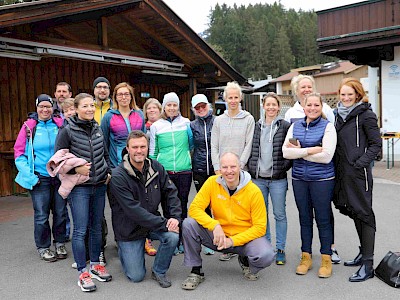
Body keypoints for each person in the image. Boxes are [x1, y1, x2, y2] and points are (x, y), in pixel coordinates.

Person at [181, 152, 275, 290]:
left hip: (244, 240)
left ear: (240, 167)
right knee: (188, 224)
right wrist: (215, 225)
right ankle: (196, 271)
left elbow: (260, 227)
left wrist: (233, 241)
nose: (229, 171)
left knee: (266, 255)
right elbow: (194, 209)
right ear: (220, 168)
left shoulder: (253, 191)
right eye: (225, 167)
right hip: (219, 237)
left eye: (233, 167)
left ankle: (246, 260)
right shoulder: (212, 182)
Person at [109, 130, 181, 288]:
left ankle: (159, 271)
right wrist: (164, 223)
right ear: (127, 148)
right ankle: (124, 248)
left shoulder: (156, 167)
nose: (139, 150)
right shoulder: (118, 176)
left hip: (151, 223)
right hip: (129, 229)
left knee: (172, 236)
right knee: (136, 276)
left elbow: (171, 193)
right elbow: (133, 210)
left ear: (148, 148)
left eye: (143, 146)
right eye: (135, 147)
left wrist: (174, 218)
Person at [55, 93, 112, 292]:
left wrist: (109, 172)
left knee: (96, 226)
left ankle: (95, 264)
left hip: (99, 185)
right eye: (85, 106)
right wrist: (75, 170)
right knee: (80, 229)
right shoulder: (67, 130)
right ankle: (82, 272)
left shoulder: (97, 128)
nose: (89, 109)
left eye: (91, 106)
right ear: (76, 108)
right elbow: (56, 163)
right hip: (79, 188)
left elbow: (105, 154)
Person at [284, 74, 340, 264]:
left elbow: (326, 157)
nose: (313, 108)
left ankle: (326, 257)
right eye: (309, 105)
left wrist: (299, 152)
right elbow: (286, 152)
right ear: (304, 107)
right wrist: (308, 150)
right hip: (300, 179)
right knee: (304, 219)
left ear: (321, 106)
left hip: (322, 180)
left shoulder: (328, 126)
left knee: (323, 219)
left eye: (316, 105)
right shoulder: (295, 126)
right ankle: (305, 256)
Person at [333, 78, 381, 282]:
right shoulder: (337, 116)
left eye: (350, 95)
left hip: (358, 174)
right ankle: (363, 253)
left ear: (358, 95)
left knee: (364, 213)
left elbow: (376, 145)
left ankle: (368, 264)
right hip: (342, 173)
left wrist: (360, 163)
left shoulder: (366, 115)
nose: (346, 98)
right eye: (343, 94)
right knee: (352, 210)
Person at [14, 94, 67, 262]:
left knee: (60, 212)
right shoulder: (29, 127)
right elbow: (19, 154)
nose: (45, 110)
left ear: (53, 108)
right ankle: (43, 247)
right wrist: (30, 177)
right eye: (41, 107)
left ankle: (59, 242)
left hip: (59, 176)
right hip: (39, 178)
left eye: (48, 106)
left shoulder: (60, 125)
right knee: (42, 215)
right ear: (36, 108)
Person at [211, 81, 255, 261]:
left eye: (236, 97)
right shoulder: (219, 120)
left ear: (241, 98)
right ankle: (226, 245)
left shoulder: (248, 119)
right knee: (223, 209)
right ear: (225, 98)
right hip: (222, 171)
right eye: (230, 97)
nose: (233, 100)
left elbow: (249, 144)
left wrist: (240, 166)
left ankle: (241, 244)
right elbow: (214, 145)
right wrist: (217, 167)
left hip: (240, 171)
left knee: (241, 210)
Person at [247, 92, 291, 265]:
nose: (271, 107)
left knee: (279, 214)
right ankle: (265, 246)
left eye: (274, 104)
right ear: (263, 106)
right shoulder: (256, 126)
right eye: (268, 104)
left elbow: (291, 150)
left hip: (278, 179)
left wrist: (284, 168)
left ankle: (280, 249)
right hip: (258, 179)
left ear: (279, 107)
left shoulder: (285, 126)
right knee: (261, 215)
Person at [149, 92, 193, 254]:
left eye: (175, 105)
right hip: (164, 172)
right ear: (164, 107)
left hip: (184, 171)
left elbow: (191, 144)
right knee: (167, 206)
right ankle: (171, 239)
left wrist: (187, 160)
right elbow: (153, 152)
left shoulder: (186, 123)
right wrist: (152, 172)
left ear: (178, 106)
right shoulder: (156, 126)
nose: (172, 108)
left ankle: (182, 239)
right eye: (169, 105)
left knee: (181, 205)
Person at [190, 94, 215, 255]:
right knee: (204, 205)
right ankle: (208, 239)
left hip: (216, 168)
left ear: (208, 105)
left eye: (203, 106)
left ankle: (225, 235)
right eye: (197, 107)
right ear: (194, 109)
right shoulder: (191, 125)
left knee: (220, 204)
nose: (201, 109)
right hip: (199, 168)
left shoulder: (218, 121)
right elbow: (190, 145)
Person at [92, 76, 111, 265]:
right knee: (98, 210)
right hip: (92, 162)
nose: (102, 90)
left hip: (109, 161)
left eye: (105, 87)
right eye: (99, 87)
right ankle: (100, 245)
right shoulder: (89, 107)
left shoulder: (112, 110)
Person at [60, 97, 76, 241]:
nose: (69, 113)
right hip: (68, 172)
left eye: (72, 109)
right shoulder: (62, 129)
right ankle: (66, 234)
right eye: (66, 111)